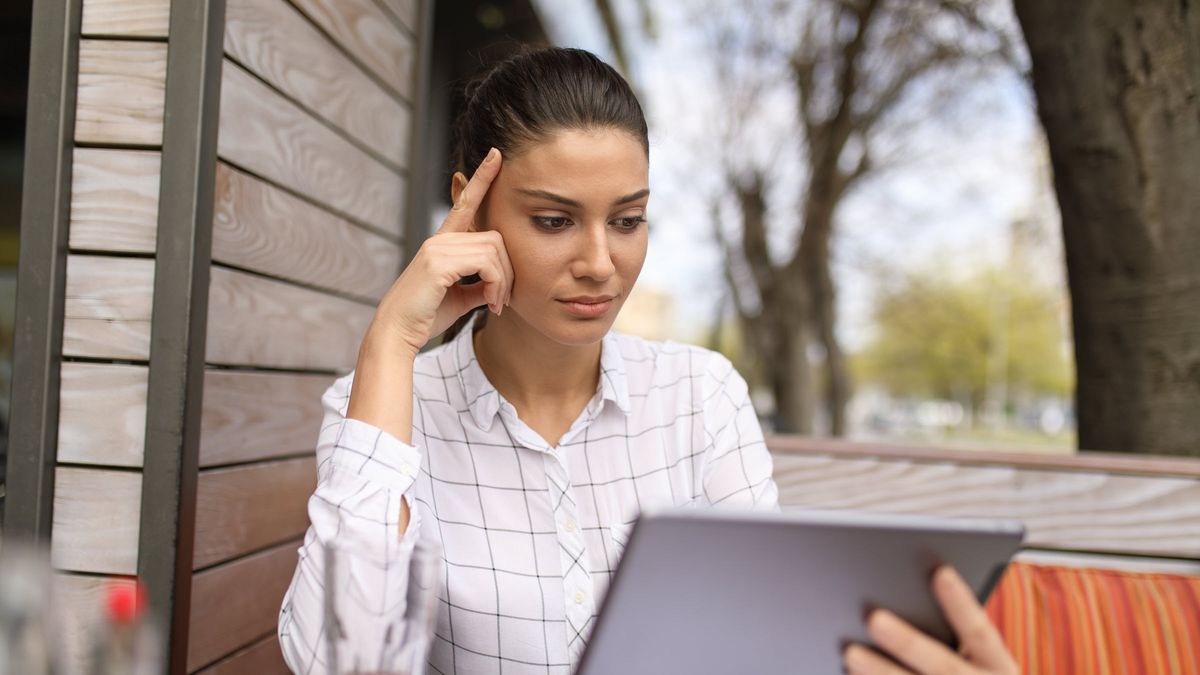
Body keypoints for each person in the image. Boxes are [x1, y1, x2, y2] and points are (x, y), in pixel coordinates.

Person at [277, 46, 1018, 675]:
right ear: (469, 207)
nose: (601, 262)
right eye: (553, 220)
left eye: (628, 220)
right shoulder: (380, 407)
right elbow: (338, 660)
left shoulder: (700, 396)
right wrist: (390, 343)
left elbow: (762, 643)